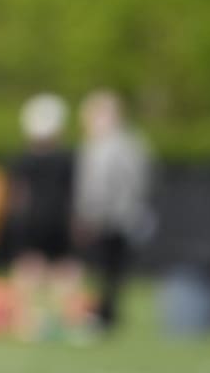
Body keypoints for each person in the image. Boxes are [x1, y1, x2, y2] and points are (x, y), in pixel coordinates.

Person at [3, 92, 83, 339]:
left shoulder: (23, 160)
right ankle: (73, 324)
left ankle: (27, 324)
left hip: (31, 221)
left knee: (28, 270)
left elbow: (17, 196)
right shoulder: (67, 160)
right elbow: (75, 194)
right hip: (59, 219)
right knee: (65, 271)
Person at [72, 88, 153, 332]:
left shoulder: (124, 145)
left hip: (115, 218)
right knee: (101, 269)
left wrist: (111, 212)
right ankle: (101, 313)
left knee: (111, 268)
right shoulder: (95, 145)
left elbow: (132, 183)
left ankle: (106, 315)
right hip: (99, 217)